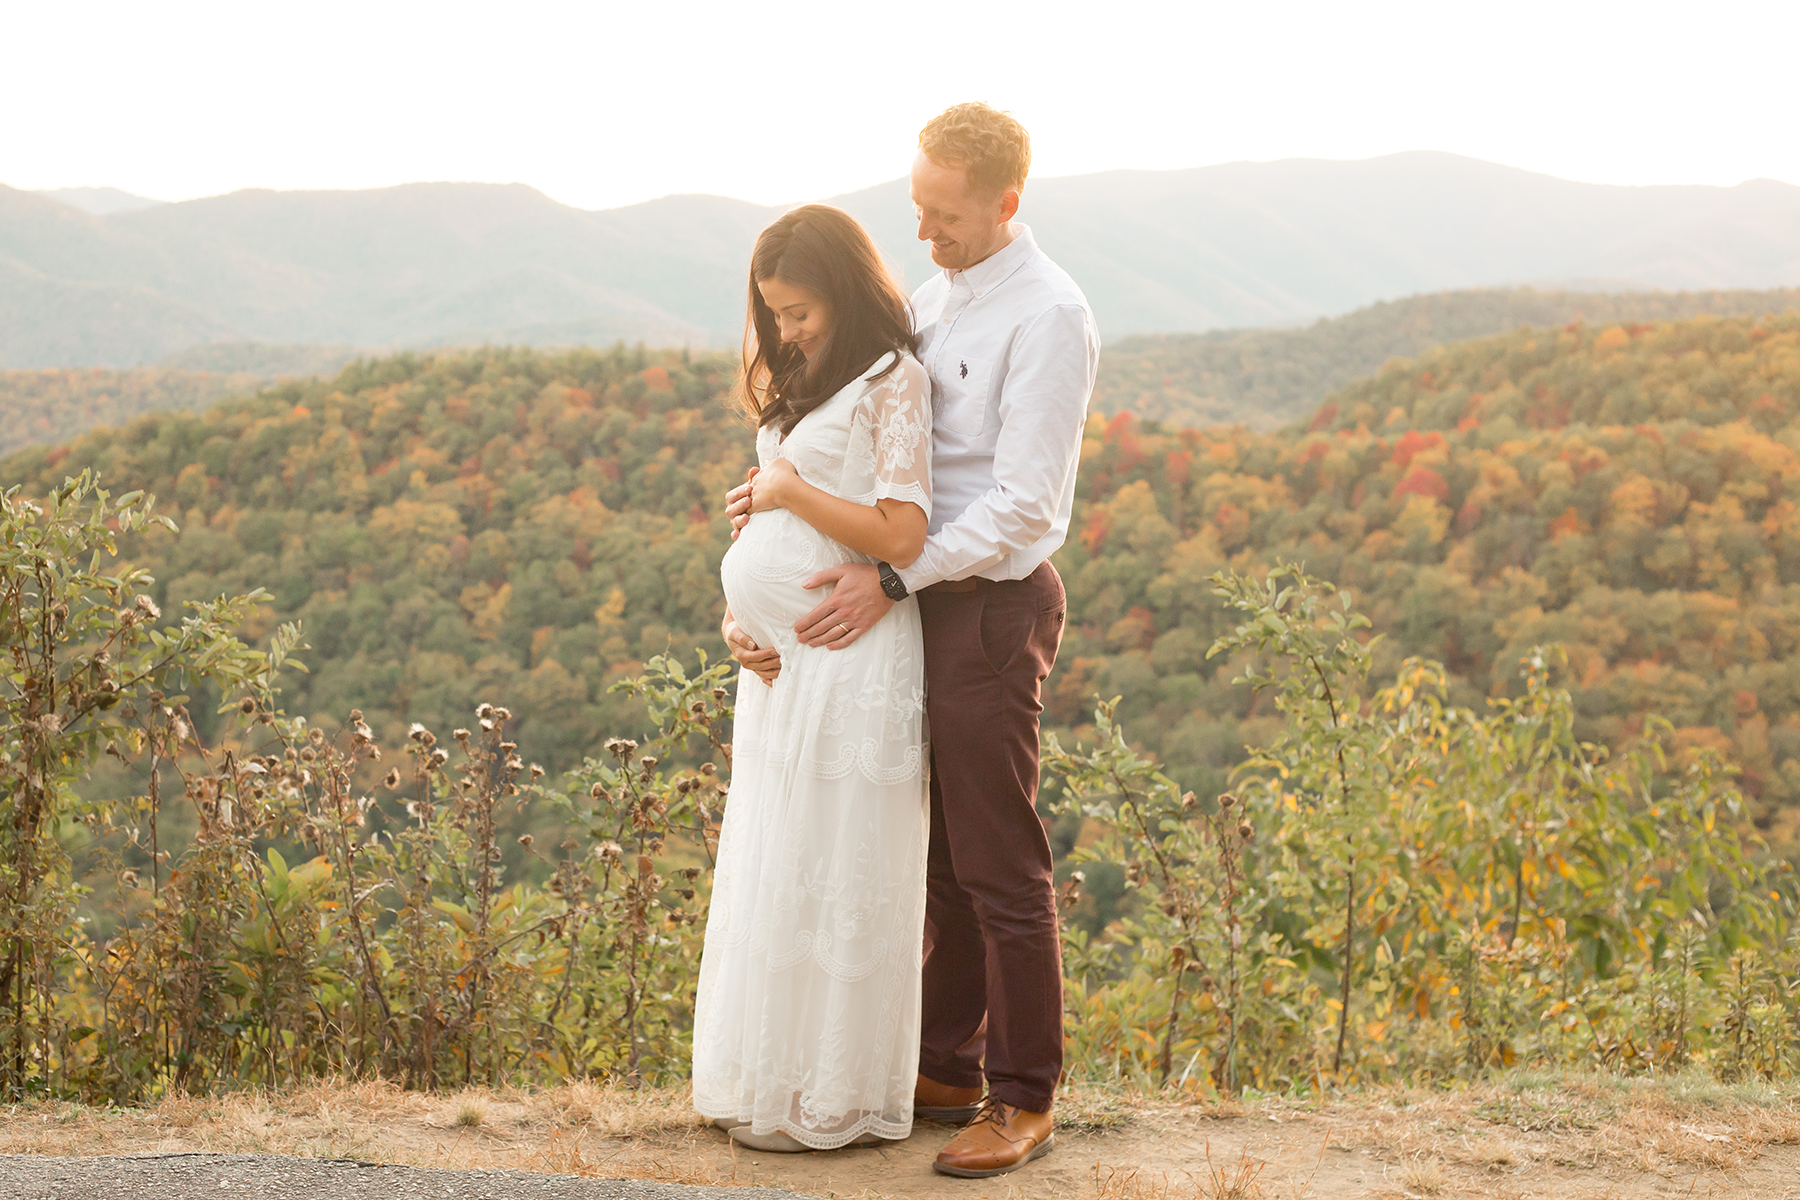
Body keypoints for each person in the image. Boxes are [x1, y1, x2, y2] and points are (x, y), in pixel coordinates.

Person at [725, 103, 1099, 1179]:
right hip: (911, 605)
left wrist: (895, 574)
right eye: (917, 209)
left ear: (1007, 203)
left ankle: (1023, 1097)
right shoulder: (935, 301)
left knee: (998, 860)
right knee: (930, 856)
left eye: (946, 215)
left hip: (986, 604)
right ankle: (942, 1061)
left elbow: (1024, 510)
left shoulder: (1048, 316)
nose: (924, 234)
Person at [692, 204, 934, 1153]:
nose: (785, 331)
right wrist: (736, 617)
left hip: (853, 656)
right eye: (774, 315)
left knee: (836, 866)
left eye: (799, 312)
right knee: (780, 861)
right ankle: (770, 1080)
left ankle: (830, 1098)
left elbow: (903, 536)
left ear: (846, 288)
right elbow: (765, 538)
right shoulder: (809, 378)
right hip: (780, 669)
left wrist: (789, 489)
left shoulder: (893, 380)